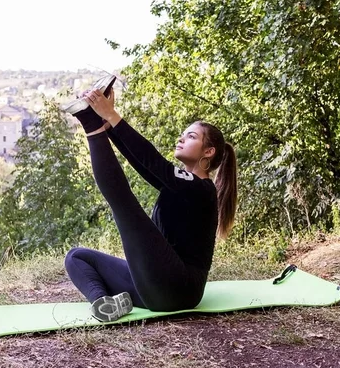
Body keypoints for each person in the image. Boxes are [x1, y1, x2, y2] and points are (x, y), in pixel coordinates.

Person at [62, 76, 238, 322]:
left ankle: (89, 122)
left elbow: (154, 161)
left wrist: (109, 118)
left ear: (208, 153)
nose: (181, 139)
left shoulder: (202, 190)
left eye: (191, 137)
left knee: (123, 203)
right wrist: (108, 122)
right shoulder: (180, 185)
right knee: (76, 257)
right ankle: (104, 303)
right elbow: (143, 163)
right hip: (155, 288)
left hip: (179, 289)